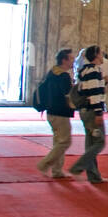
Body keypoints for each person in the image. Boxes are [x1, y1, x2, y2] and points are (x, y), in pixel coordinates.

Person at [69, 45, 107, 183]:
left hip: (86, 111)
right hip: (91, 112)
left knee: (91, 143)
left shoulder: (84, 70)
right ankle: (78, 167)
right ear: (96, 55)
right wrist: (98, 113)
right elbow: (94, 94)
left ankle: (94, 176)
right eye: (101, 53)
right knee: (100, 142)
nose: (103, 56)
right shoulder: (93, 71)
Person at [36, 48, 75, 179]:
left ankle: (57, 171)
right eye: (71, 59)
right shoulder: (63, 76)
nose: (73, 62)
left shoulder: (52, 73)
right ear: (64, 60)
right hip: (61, 112)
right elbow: (68, 94)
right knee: (65, 142)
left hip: (51, 111)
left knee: (58, 141)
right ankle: (44, 164)